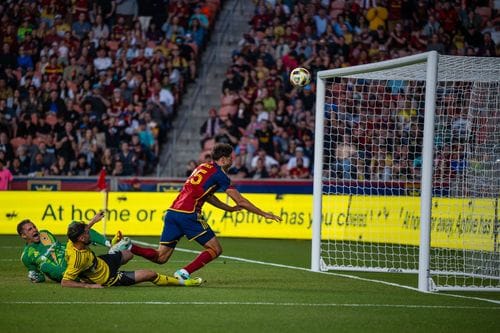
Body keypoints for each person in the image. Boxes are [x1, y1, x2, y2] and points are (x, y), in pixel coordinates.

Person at [126, 143, 282, 281]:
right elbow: (240, 201)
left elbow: (207, 196)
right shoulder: (221, 175)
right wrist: (264, 214)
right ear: (223, 159)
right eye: (230, 158)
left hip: (173, 212)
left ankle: (127, 246)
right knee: (216, 249)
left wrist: (228, 208)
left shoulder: (202, 167)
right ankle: (184, 272)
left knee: (161, 257)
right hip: (189, 214)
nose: (232, 161)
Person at [61, 211, 202, 288]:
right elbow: (65, 282)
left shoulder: (71, 242)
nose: (89, 233)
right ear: (81, 239)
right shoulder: (77, 259)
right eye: (86, 233)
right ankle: (183, 282)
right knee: (151, 274)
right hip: (109, 278)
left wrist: (93, 221)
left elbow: (85, 230)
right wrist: (89, 286)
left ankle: (114, 252)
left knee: (128, 254)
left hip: (102, 262)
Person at [17, 215, 117, 283]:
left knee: (74, 226)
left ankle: (109, 243)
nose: (35, 229)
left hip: (71, 255)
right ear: (23, 235)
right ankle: (76, 278)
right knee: (44, 266)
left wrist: (77, 241)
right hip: (63, 270)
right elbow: (38, 275)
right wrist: (35, 277)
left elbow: (59, 245)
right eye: (30, 229)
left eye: (34, 227)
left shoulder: (44, 233)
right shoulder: (26, 256)